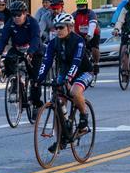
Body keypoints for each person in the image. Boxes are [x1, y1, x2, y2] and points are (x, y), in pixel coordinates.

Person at [37, 12, 94, 150]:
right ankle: (60, 138)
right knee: (57, 103)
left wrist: (69, 78)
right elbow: (46, 61)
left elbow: (76, 61)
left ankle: (84, 117)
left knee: (74, 91)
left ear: (70, 27)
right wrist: (38, 79)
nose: (58, 30)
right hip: (64, 72)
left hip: (83, 71)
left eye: (61, 27)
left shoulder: (78, 41)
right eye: (56, 28)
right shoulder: (53, 43)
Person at [0, 0, 42, 107]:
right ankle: (15, 82)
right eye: (13, 15)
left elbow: (36, 38)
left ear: (25, 13)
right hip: (17, 48)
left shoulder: (32, 22)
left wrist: (30, 52)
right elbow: (3, 39)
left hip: (33, 50)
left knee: (35, 78)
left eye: (18, 14)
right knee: (7, 59)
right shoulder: (10, 23)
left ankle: (36, 104)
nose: (16, 17)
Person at [73, 0, 101, 76]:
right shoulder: (75, 14)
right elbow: (70, 23)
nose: (81, 8)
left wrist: (89, 35)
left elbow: (92, 25)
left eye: (83, 6)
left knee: (94, 48)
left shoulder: (91, 13)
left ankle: (96, 63)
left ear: (86, 6)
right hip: (80, 34)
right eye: (79, 6)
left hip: (93, 33)